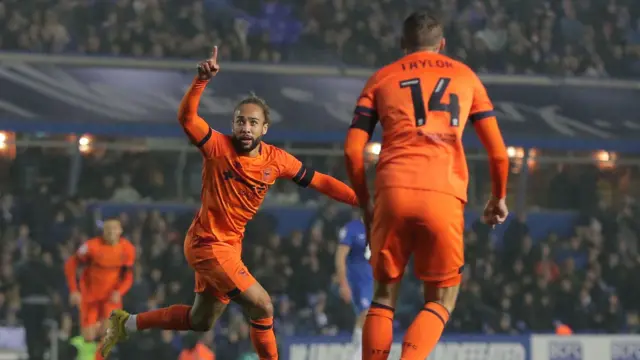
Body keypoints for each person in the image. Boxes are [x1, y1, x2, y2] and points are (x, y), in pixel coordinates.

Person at [100, 46, 358, 359]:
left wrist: (362, 201)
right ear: (233, 124)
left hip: (229, 245)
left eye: (252, 123)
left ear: (264, 128)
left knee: (201, 321)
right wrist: (200, 82)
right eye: (240, 121)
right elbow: (186, 117)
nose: (245, 128)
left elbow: (321, 181)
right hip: (208, 244)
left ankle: (128, 324)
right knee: (262, 305)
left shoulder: (277, 160)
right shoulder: (217, 147)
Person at [343, 10, 510, 360]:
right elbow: (498, 154)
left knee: (384, 295)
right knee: (443, 297)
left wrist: (365, 202)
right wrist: (498, 197)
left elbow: (352, 150)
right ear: (443, 45)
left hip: (393, 191)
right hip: (444, 195)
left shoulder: (381, 79)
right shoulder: (467, 78)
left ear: (403, 44)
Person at [64, 218, 136, 360]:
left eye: (114, 229)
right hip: (91, 296)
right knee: (89, 336)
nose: (111, 232)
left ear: (120, 231)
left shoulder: (127, 249)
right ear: (103, 231)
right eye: (108, 229)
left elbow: (128, 276)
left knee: (108, 333)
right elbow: (70, 264)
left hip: (110, 297)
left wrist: (119, 291)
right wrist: (73, 290)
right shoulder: (91, 247)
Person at [335, 214, 372, 360]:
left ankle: (363, 351)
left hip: (373, 280)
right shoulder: (352, 228)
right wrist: (343, 283)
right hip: (357, 279)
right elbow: (340, 256)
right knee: (366, 313)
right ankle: (356, 353)